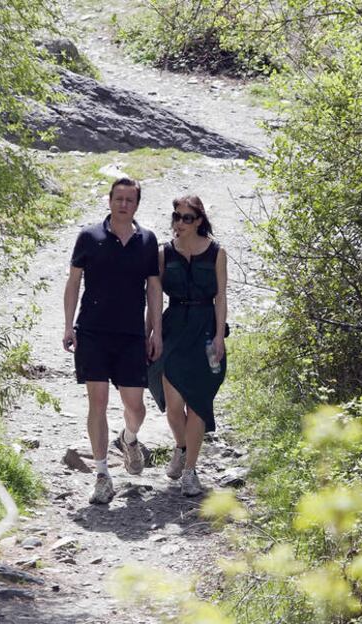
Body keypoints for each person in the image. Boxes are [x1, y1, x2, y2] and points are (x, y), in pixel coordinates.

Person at [63, 177, 163, 505]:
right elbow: (74, 282)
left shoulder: (147, 241)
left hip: (132, 334)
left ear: (136, 204)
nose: (123, 204)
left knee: (136, 407)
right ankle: (103, 475)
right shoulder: (89, 237)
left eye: (129, 199)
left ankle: (129, 439)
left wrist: (156, 332)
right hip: (92, 331)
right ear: (109, 201)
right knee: (98, 402)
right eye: (118, 198)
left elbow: (153, 289)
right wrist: (68, 326)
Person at [148, 195, 227, 496]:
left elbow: (221, 297)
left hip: (206, 329)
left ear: (200, 221)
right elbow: (153, 296)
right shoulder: (163, 254)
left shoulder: (217, 253)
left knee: (198, 403)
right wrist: (152, 332)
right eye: (177, 216)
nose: (180, 222)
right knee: (174, 404)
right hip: (174, 328)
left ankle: (190, 470)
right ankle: (181, 447)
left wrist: (220, 335)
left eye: (187, 218)